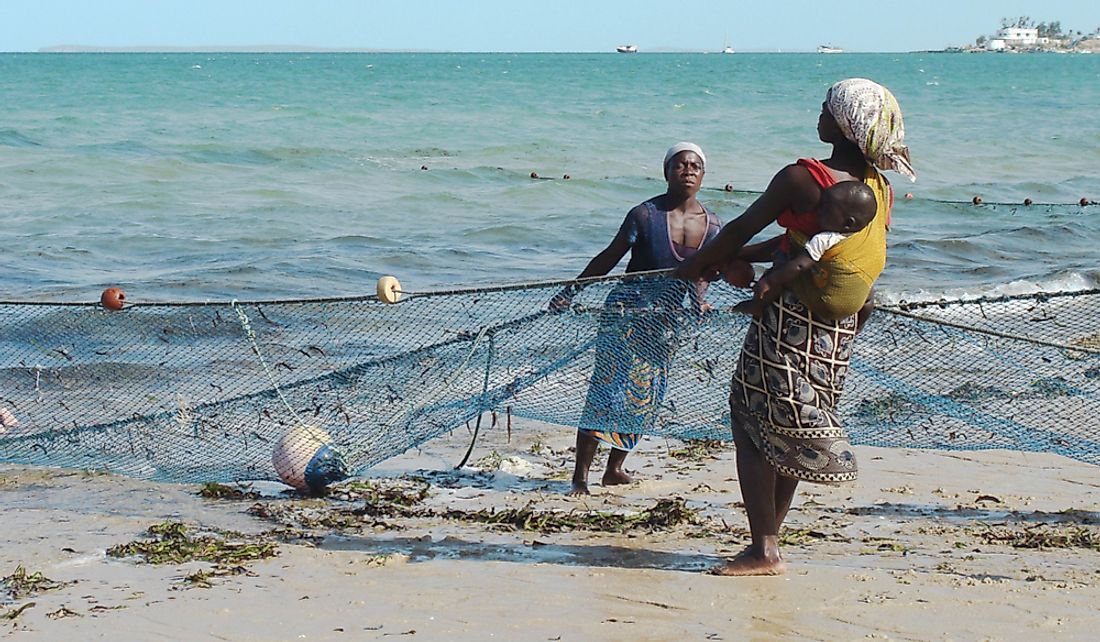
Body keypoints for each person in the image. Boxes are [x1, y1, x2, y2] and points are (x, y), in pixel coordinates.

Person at [675, 78, 915, 575]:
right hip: (839, 332)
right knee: (793, 429)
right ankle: (769, 541)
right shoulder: (876, 188)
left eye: (828, 108)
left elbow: (745, 225)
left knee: (750, 421)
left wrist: (695, 266)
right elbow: (813, 244)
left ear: (846, 125)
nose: (820, 113)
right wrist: (736, 257)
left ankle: (763, 550)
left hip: (788, 321)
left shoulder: (805, 177)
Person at [550, 142, 721, 496]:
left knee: (645, 396)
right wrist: (572, 290)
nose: (688, 171)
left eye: (695, 166)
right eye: (680, 165)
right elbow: (610, 257)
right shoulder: (644, 215)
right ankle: (580, 476)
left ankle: (614, 469)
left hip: (666, 325)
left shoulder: (713, 225)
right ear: (666, 172)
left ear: (703, 175)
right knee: (606, 392)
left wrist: (699, 301)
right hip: (624, 318)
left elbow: (700, 273)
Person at [730, 180, 878, 318]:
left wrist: (770, 281)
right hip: (853, 304)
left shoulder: (824, 239)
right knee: (870, 293)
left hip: (824, 303)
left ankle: (757, 305)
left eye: (825, 208)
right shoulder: (859, 240)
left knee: (783, 268)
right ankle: (860, 325)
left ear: (848, 223)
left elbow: (800, 265)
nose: (818, 211)